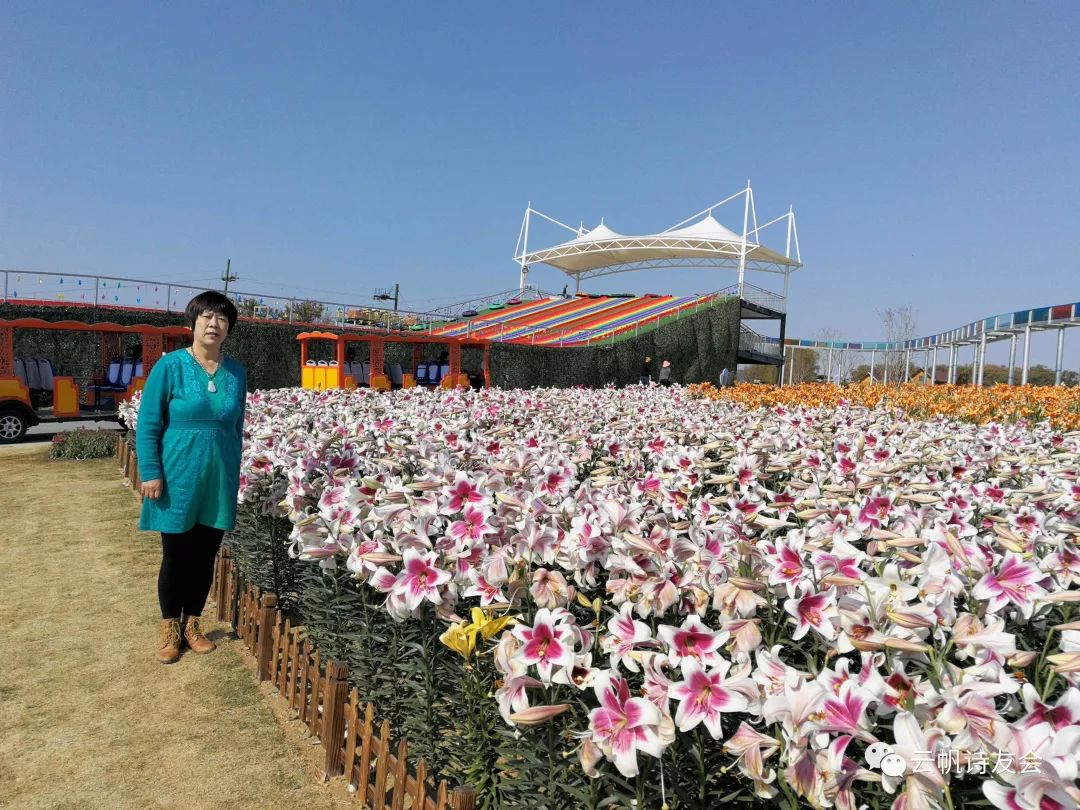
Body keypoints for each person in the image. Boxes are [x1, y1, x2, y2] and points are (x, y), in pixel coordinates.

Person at [136, 291, 247, 664]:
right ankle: (170, 627)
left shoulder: (236, 372)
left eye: (221, 319)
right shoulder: (169, 367)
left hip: (218, 476)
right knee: (176, 555)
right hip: (178, 473)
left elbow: (236, 428)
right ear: (193, 324)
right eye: (206, 317)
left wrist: (234, 474)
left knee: (205, 555)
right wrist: (151, 471)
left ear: (229, 328)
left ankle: (193, 624)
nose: (213, 324)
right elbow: (149, 423)